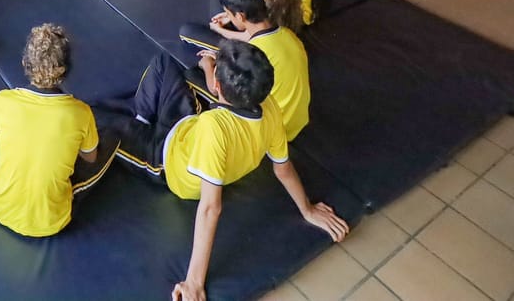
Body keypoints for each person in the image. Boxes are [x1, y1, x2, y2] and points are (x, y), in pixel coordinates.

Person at [114, 41, 347, 301]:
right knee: (163, 63)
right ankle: (142, 121)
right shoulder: (269, 106)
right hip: (184, 127)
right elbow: (283, 169)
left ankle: (139, 129)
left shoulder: (215, 128)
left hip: (165, 161)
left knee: (102, 127)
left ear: (217, 86)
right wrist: (307, 209)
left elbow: (211, 207)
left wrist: (194, 282)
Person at [0, 24, 118, 238]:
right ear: (67, 69)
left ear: (24, 63)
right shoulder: (80, 112)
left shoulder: (2, 100)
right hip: (51, 221)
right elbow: (90, 158)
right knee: (111, 137)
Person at [179, 0, 311, 142]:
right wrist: (225, 25)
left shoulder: (253, 52)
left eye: (229, 14)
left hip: (272, 130)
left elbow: (217, 89)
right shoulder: (287, 34)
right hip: (297, 121)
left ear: (241, 16)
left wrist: (207, 65)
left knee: (190, 74)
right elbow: (253, 40)